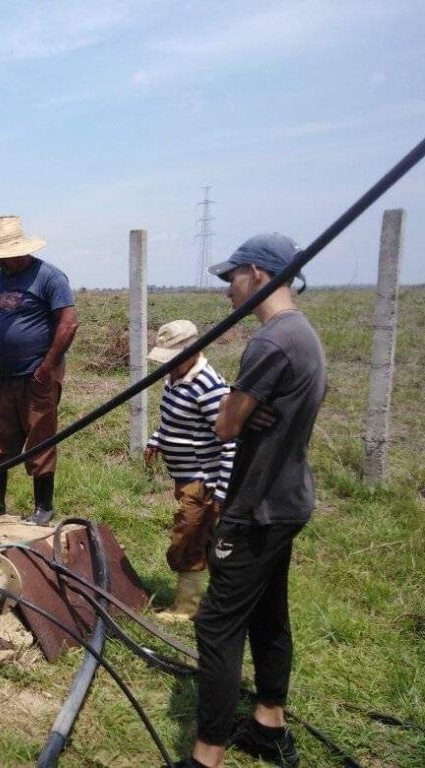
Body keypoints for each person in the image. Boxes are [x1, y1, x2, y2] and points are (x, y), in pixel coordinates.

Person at [178, 233, 326, 768]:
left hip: (255, 507)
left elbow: (224, 425)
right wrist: (248, 408)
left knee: (216, 625)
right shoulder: (303, 334)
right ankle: (268, 725)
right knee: (268, 613)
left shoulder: (270, 342)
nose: (227, 290)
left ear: (258, 274)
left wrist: (240, 411)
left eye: (231, 277)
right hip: (288, 500)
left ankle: (206, 756)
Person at [0, 215, 79, 526]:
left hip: (37, 378)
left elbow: (68, 323)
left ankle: (43, 508)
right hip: (5, 377)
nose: (1, 262)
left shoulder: (49, 277)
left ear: (21, 249)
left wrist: (46, 368)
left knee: (40, 441)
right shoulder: (0, 280)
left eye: (6, 256)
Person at [144, 320, 235, 622]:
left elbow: (231, 441)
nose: (167, 367)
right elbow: (175, 421)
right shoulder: (176, 378)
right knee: (197, 537)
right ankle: (203, 599)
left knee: (188, 537)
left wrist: (221, 491)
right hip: (185, 478)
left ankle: (187, 606)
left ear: (193, 351)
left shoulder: (209, 388)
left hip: (204, 480)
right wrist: (158, 439)